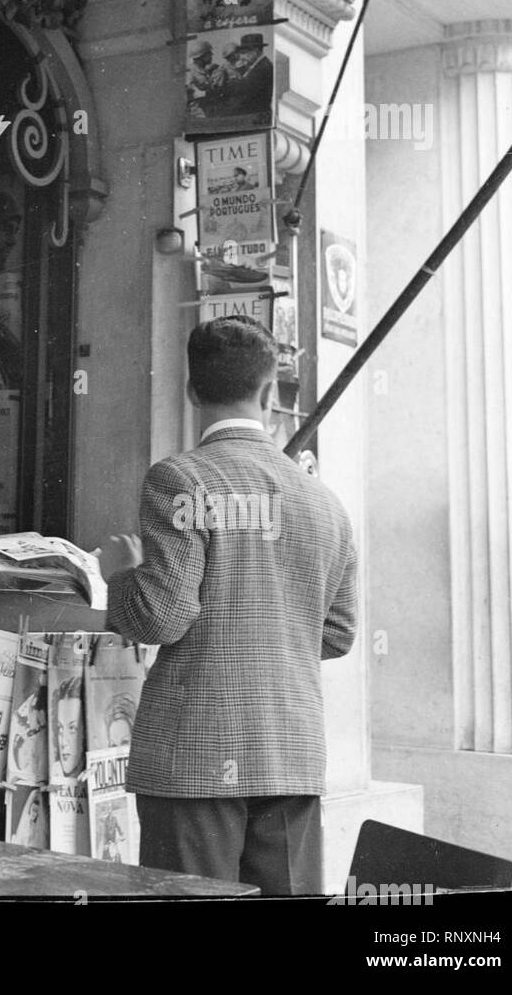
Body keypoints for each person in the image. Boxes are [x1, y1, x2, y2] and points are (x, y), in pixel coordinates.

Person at [97, 316, 357, 895]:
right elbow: (338, 634)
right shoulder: (325, 503)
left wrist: (120, 578)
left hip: (192, 758)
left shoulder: (180, 479)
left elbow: (163, 616)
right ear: (270, 394)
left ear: (190, 390)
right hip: (291, 755)